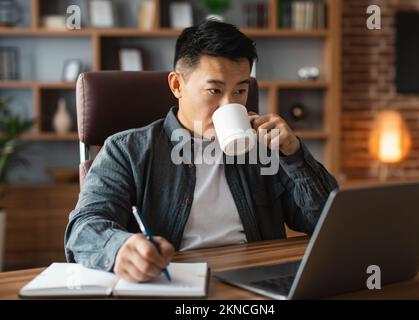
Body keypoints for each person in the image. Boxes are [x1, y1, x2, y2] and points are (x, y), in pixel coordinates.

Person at [64, 19, 338, 283]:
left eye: (240, 91)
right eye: (214, 90)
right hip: (174, 281)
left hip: (256, 280)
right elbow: (83, 228)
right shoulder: (127, 150)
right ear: (177, 85)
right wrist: (119, 248)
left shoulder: (262, 147)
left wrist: (294, 154)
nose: (228, 104)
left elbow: (326, 222)